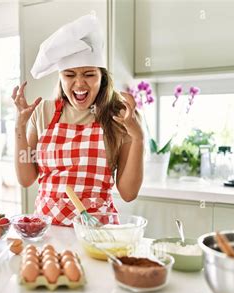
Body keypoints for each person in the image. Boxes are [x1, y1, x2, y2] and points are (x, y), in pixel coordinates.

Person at [12, 14, 144, 226]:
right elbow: (26, 179)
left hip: (98, 233)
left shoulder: (120, 116)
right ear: (60, 77)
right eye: (70, 75)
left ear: (102, 78)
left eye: (89, 74)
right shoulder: (43, 112)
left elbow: (128, 193)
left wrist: (138, 138)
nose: (79, 84)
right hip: (49, 232)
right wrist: (19, 126)